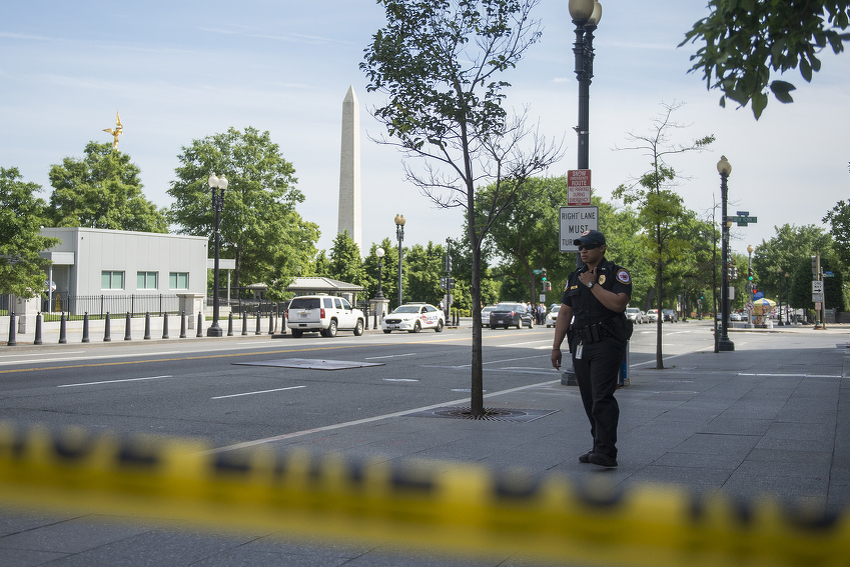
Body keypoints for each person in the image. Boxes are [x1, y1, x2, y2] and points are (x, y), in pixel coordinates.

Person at [551, 230, 632, 468]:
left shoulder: (618, 273)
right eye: (580, 248)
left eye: (588, 246)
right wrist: (556, 347)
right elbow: (565, 312)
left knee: (602, 396)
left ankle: (607, 452)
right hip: (581, 344)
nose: (583, 251)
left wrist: (593, 284)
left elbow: (618, 304)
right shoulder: (575, 276)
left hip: (607, 342)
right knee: (588, 397)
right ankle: (598, 445)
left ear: (602, 248)